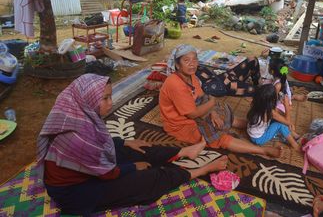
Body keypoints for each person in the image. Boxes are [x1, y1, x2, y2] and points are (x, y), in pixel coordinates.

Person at [38, 74, 228, 216]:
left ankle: (184, 151)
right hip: (78, 193)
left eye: (109, 96)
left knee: (136, 147)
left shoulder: (80, 115)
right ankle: (199, 171)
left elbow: (100, 147)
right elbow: (107, 173)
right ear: (87, 98)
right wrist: (132, 168)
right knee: (149, 178)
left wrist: (126, 141)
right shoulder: (76, 137)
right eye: (105, 98)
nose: (111, 103)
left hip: (89, 171)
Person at [159, 44, 281, 158]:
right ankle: (263, 151)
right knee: (219, 138)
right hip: (181, 125)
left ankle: (255, 126)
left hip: (195, 111)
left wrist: (213, 112)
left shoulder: (192, 76)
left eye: (194, 59)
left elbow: (202, 97)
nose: (192, 64)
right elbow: (192, 114)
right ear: (177, 65)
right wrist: (211, 104)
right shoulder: (175, 84)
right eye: (186, 60)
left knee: (222, 116)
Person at [247, 84, 301, 151]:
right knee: (279, 125)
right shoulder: (270, 112)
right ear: (272, 100)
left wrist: (287, 120)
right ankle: (295, 145)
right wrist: (286, 106)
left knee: (280, 121)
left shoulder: (258, 104)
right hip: (258, 139)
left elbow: (282, 115)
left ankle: (295, 135)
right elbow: (287, 121)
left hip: (252, 134)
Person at [196, 56, 261, 97]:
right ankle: (257, 88)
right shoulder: (189, 81)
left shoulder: (196, 68)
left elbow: (210, 74)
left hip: (224, 76)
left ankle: (257, 83)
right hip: (225, 86)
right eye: (186, 60)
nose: (191, 63)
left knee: (252, 59)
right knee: (262, 91)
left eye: (194, 59)